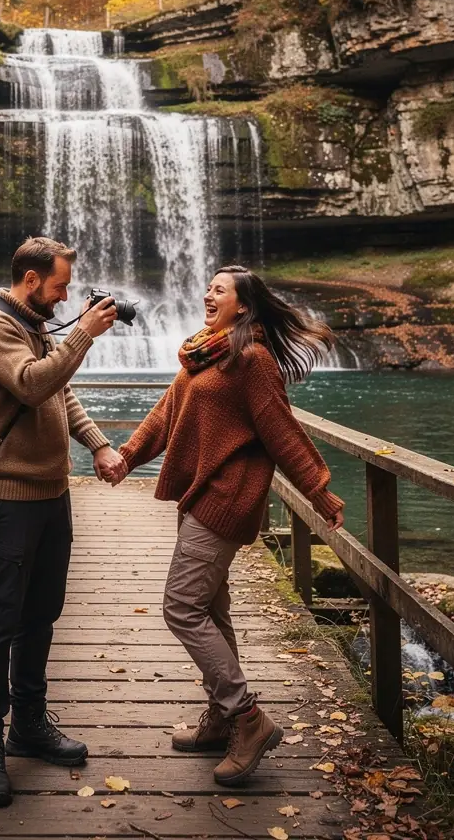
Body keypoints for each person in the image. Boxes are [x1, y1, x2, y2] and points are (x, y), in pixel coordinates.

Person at [112, 265, 345, 786]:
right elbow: (165, 413)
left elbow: (282, 430)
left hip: (228, 497)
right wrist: (127, 457)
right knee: (211, 610)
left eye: (219, 290)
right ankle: (220, 719)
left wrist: (318, 489)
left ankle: (248, 718)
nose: (207, 294)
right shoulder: (202, 352)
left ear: (243, 305)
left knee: (181, 605)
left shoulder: (252, 359)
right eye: (208, 288)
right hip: (201, 495)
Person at [0, 236, 128, 807]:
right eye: (59, 285)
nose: (65, 296)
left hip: (52, 493)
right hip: (8, 497)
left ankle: (27, 723)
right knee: (0, 621)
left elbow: (60, 393)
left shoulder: (33, 325)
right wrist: (84, 333)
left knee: (41, 615)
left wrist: (99, 445)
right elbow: (33, 384)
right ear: (31, 279)